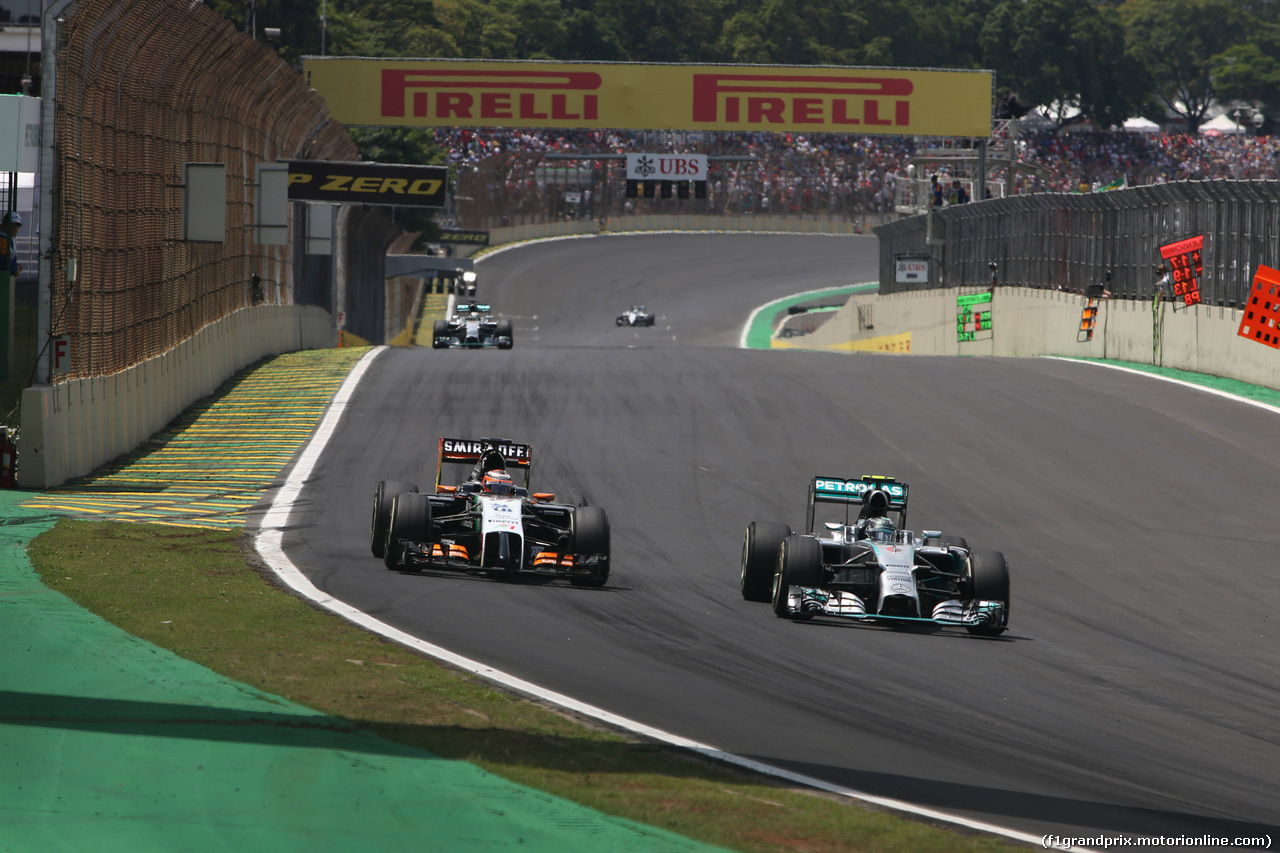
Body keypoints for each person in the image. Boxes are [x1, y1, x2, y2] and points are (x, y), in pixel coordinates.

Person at [2, 211, 22, 278]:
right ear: (5, 224)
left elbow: (12, 257)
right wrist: (15, 268)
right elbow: (3, 260)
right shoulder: (2, 239)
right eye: (12, 225)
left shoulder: (11, 238)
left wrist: (16, 267)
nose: (15, 228)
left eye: (17, 226)